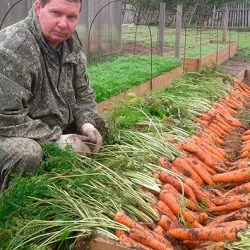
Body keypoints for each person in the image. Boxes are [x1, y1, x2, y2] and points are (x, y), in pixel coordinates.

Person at [0, 0, 107, 192]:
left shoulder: (70, 42)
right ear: (38, 8)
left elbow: (83, 93)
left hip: (51, 127)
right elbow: (6, 119)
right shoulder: (13, 48)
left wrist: (86, 123)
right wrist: (56, 139)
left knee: (99, 127)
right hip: (9, 132)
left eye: (71, 17)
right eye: (56, 13)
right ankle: (13, 204)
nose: (64, 24)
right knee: (27, 154)